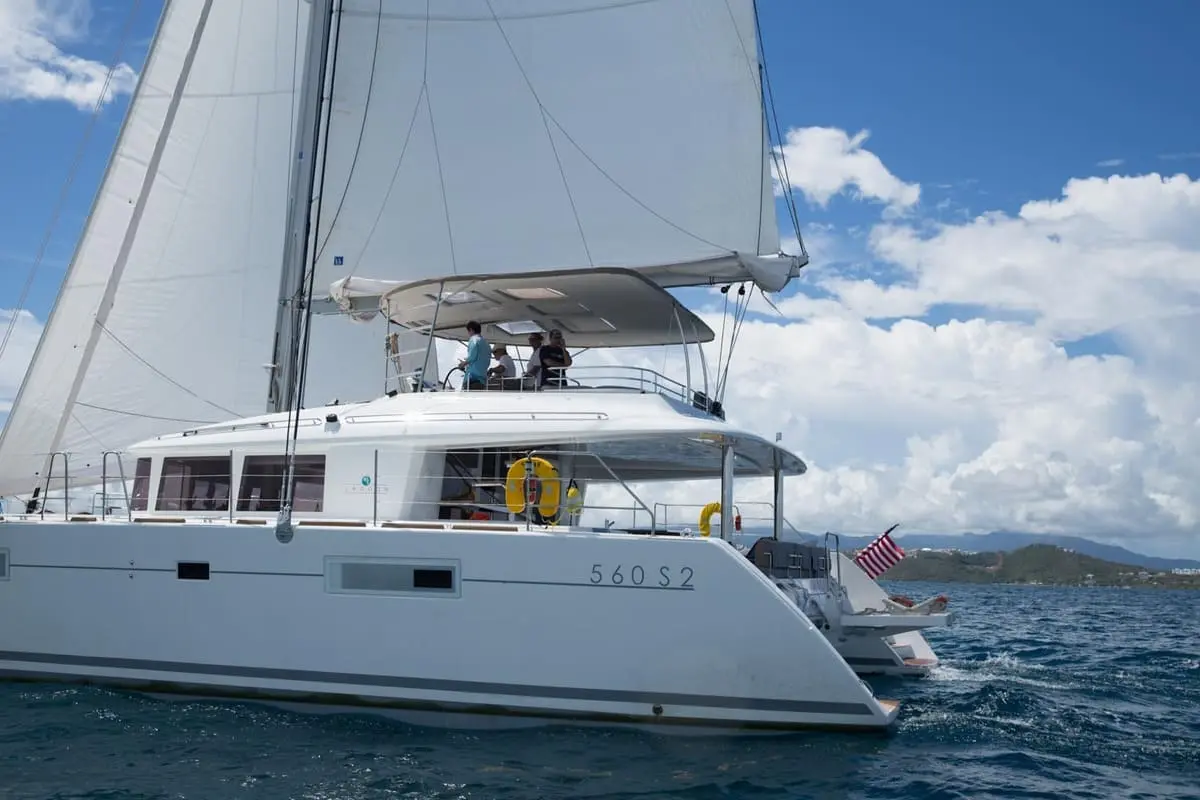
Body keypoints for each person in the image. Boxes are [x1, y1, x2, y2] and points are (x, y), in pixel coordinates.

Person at [458, 320, 489, 390]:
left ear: (471, 330)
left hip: (472, 379)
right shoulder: (486, 344)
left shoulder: (473, 339)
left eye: (468, 331)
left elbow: (472, 356)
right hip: (482, 380)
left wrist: (463, 363)